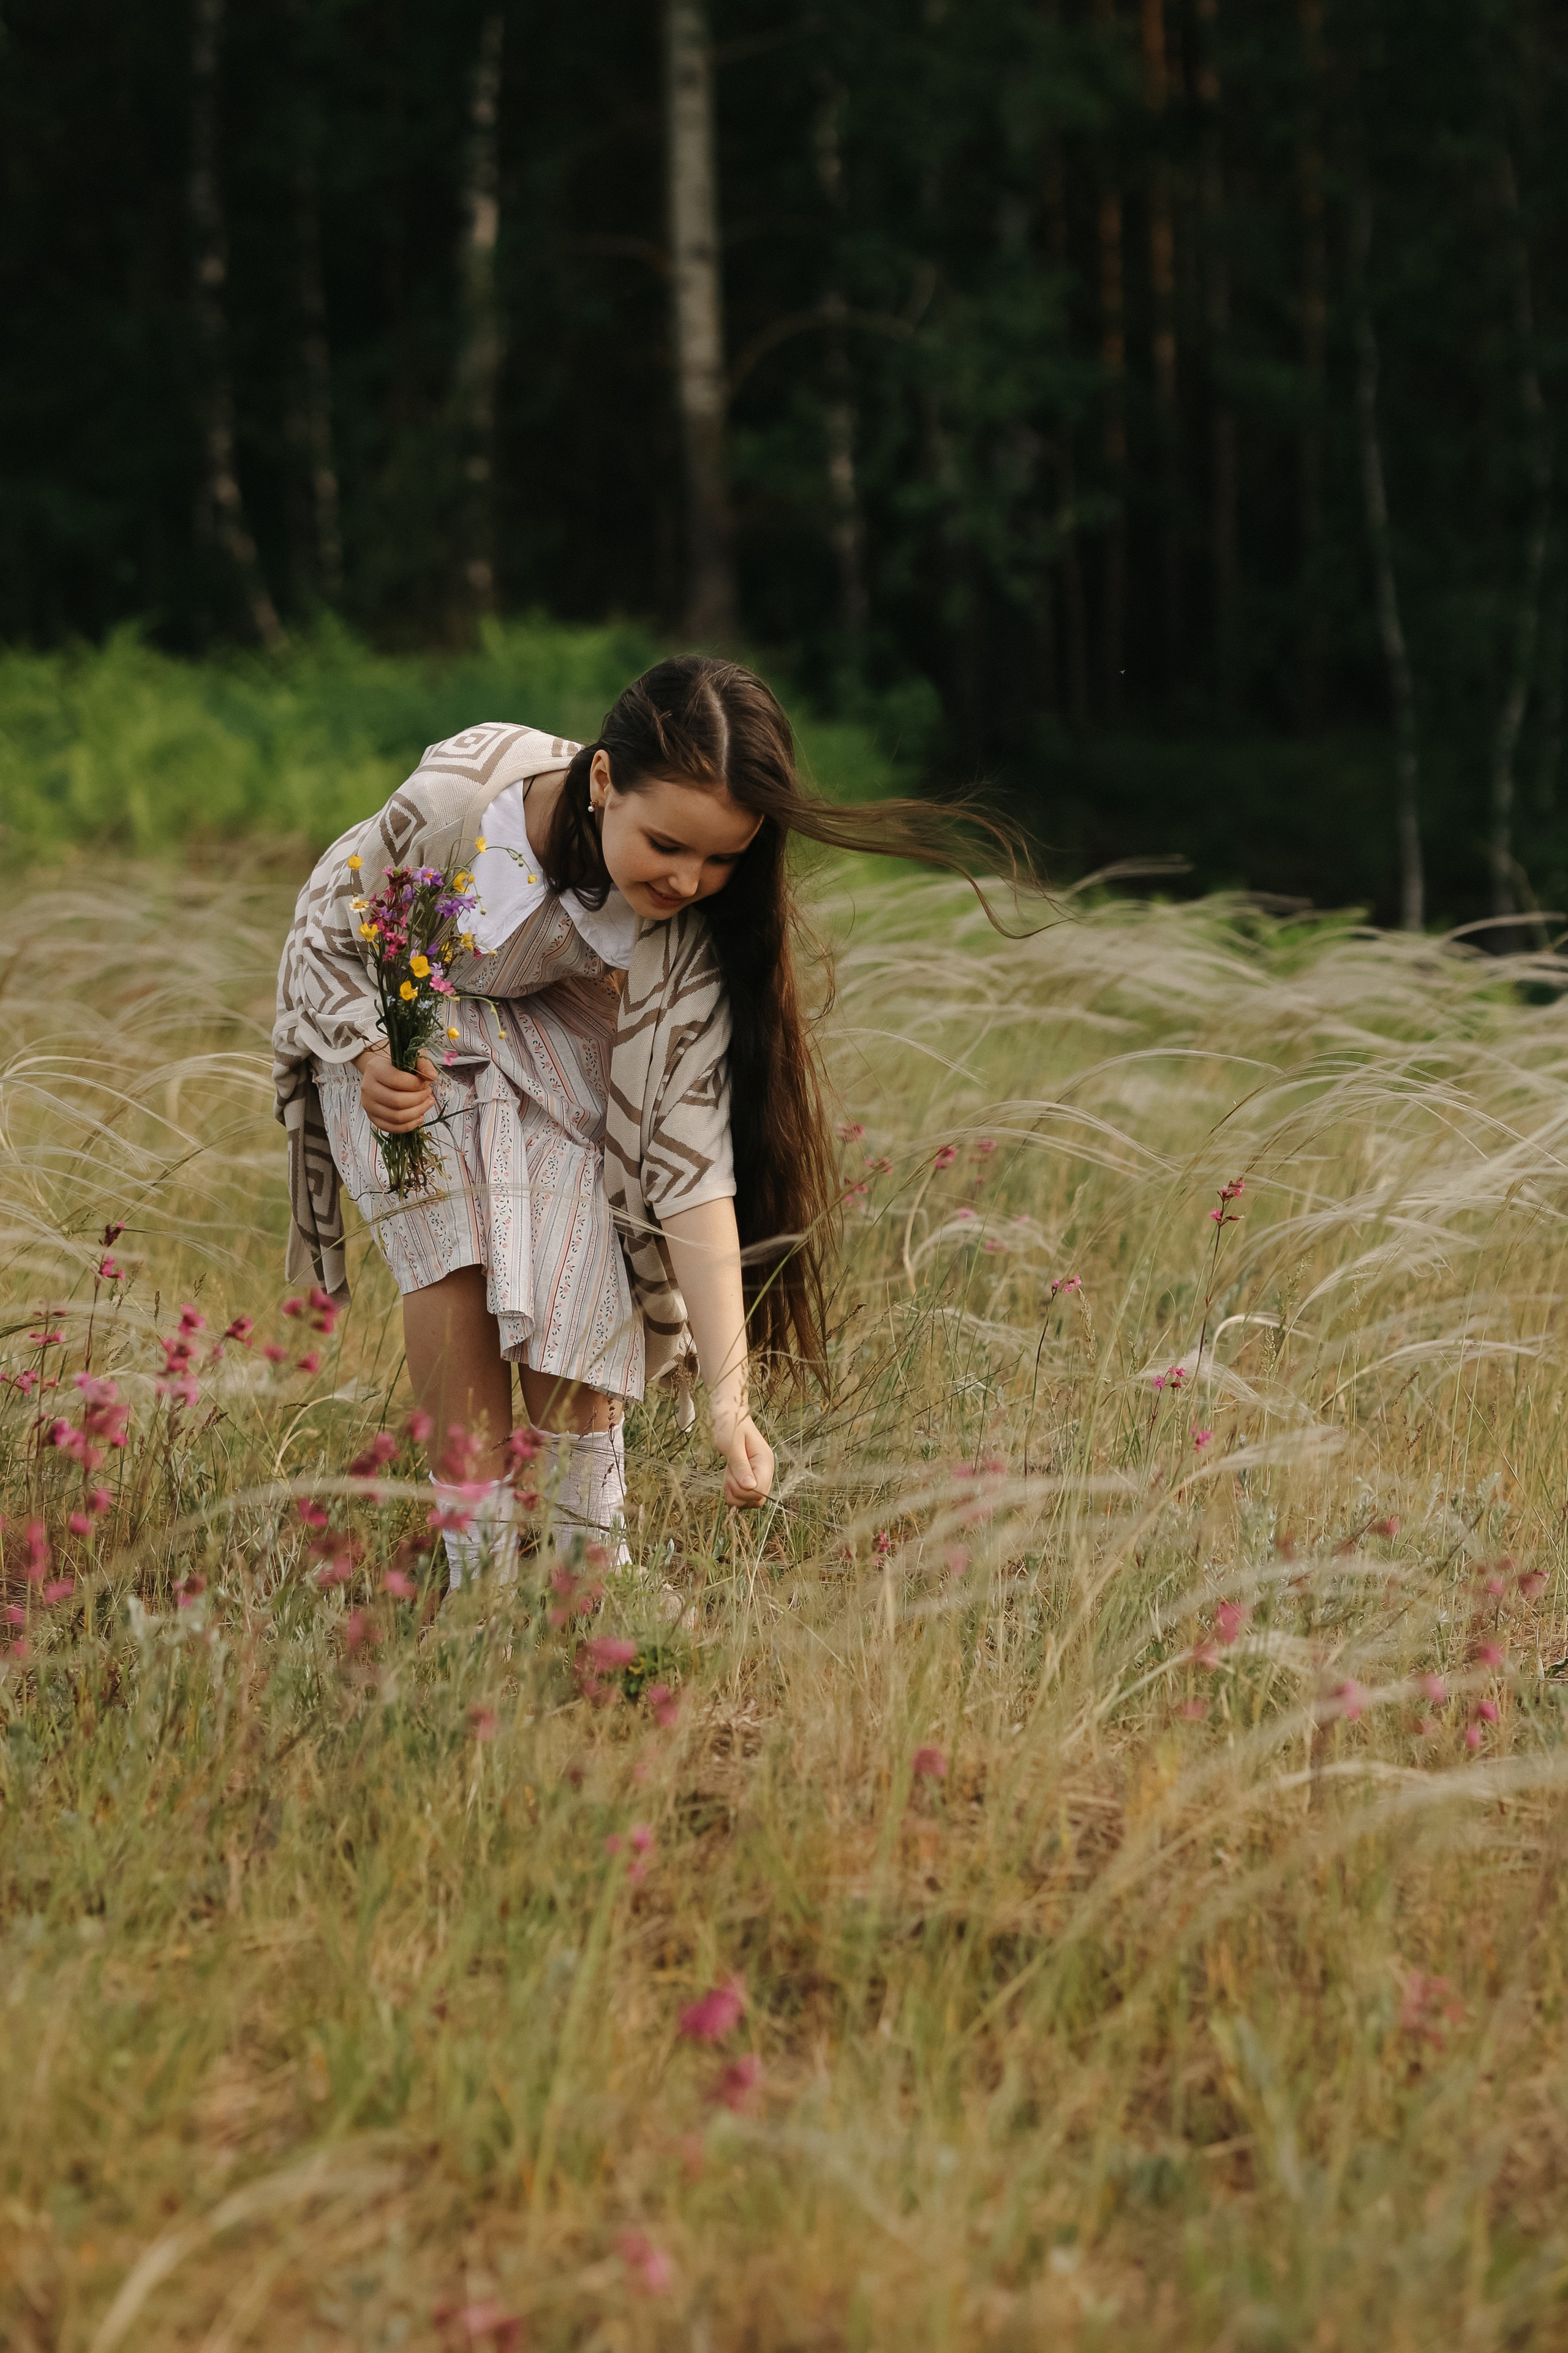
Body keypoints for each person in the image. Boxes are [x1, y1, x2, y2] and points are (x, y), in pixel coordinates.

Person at [273, 654, 1001, 1583]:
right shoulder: (462, 805)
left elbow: (689, 1165)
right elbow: (332, 927)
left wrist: (729, 1400)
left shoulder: (683, 937)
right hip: (389, 1016)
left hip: (542, 1032)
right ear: (605, 781)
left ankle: (590, 1567)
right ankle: (480, 1567)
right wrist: (372, 1050)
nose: (691, 878)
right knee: (453, 1254)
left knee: (575, 1251)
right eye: (667, 845)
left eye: (722, 858)